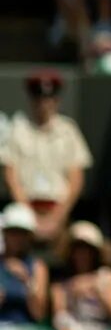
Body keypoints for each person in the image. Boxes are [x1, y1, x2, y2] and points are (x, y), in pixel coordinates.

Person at [0, 70, 93, 241]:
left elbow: (76, 179)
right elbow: (10, 177)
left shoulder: (68, 130)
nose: (44, 104)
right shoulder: (17, 129)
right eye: (39, 98)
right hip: (24, 212)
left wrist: (57, 216)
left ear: (56, 101)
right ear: (31, 100)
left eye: (49, 99)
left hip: (59, 211)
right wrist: (28, 214)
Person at [51, 221, 111, 330]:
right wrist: (71, 292)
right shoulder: (60, 285)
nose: (82, 254)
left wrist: (97, 291)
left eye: (87, 249)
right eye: (77, 249)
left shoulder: (110, 278)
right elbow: (59, 318)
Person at [0, 203, 49, 324]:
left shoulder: (37, 266)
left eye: (22, 233)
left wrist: (27, 281)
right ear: (5, 233)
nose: (18, 238)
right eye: (13, 232)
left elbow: (39, 314)